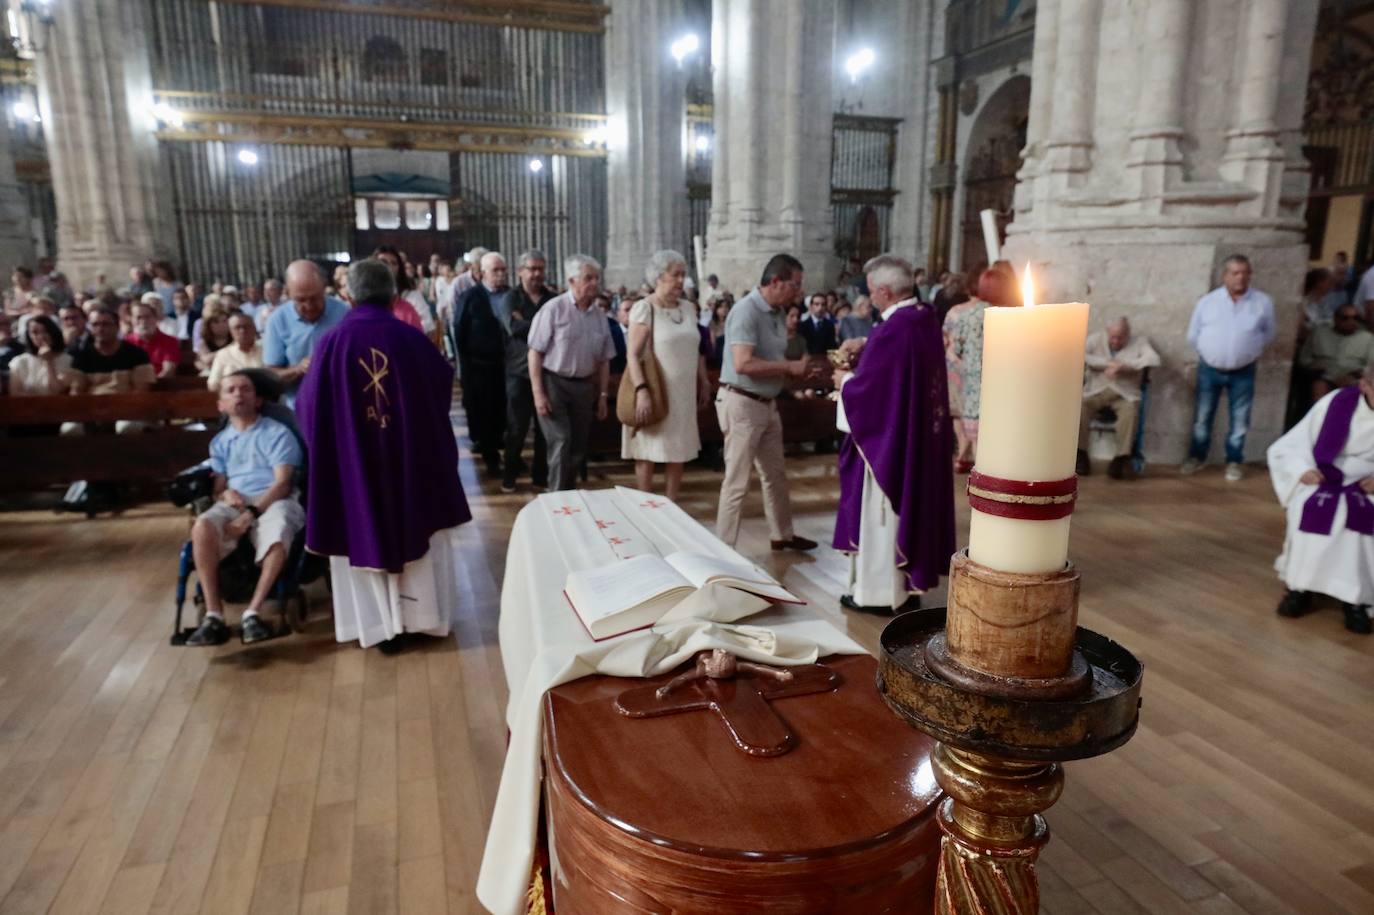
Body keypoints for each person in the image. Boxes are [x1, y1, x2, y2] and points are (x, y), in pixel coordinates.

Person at [297, 259, 472, 652]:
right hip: (411, 461)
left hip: (354, 464)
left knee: (365, 531)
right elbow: (442, 391)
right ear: (394, 294)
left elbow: (308, 411)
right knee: (417, 529)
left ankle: (378, 627)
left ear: (348, 295)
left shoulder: (331, 343)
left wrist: (342, 443)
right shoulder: (411, 339)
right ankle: (423, 621)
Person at [831, 254, 954, 613]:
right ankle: (904, 590)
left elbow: (872, 394)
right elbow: (901, 375)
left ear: (884, 291)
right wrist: (868, 346)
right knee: (905, 510)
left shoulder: (895, 329)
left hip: (890, 443)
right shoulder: (923, 319)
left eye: (871, 291)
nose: (869, 298)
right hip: (917, 440)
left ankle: (879, 595)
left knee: (881, 514)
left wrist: (845, 382)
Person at [184, 371, 306, 646]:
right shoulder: (220, 442)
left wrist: (251, 514)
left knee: (279, 527)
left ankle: (253, 612)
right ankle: (214, 615)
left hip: (272, 498)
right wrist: (226, 494)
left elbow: (283, 484)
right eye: (231, 390)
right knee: (202, 525)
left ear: (258, 399)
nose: (238, 394)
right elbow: (218, 487)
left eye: (245, 389)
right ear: (221, 405)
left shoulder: (278, 433)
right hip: (236, 501)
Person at [714, 254, 822, 550]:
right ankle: (722, 550)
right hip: (742, 402)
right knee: (736, 482)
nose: (798, 292)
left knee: (775, 475)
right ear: (775, 281)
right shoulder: (746, 311)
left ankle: (782, 535)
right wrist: (788, 368)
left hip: (767, 402)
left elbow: (771, 359)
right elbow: (743, 363)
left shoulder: (776, 312)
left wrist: (795, 370)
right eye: (794, 284)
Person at [1268, 365, 1374, 634]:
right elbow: (1290, 446)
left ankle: (1357, 599)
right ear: (1364, 385)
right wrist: (1301, 470)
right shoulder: (1336, 403)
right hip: (1326, 475)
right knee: (1310, 506)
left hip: (1368, 482)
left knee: (1358, 523)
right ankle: (1300, 588)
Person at [622, 250, 712, 502]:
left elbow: (696, 349)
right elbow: (632, 355)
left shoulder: (688, 308)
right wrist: (641, 391)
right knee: (648, 450)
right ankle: (645, 506)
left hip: (683, 392)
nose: (681, 280)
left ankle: (672, 507)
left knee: (678, 450)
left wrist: (703, 380)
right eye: (676, 275)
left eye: (683, 274)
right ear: (659, 277)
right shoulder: (643, 308)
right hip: (654, 389)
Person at [1181, 254, 1277, 482]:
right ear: (1225, 275)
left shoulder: (1262, 303)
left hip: (1243, 370)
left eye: (1245, 273)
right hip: (1209, 369)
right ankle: (1197, 457)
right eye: (1235, 273)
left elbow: (1269, 334)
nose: (1240, 278)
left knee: (1240, 420)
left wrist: (1248, 351)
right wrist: (1211, 352)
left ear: (1250, 275)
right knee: (1202, 418)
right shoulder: (1208, 302)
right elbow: (1193, 335)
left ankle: (1234, 461)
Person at [527, 254, 616, 492]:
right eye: (588, 278)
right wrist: (538, 394)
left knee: (577, 447)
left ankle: (568, 496)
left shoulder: (599, 317)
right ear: (572, 281)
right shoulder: (553, 309)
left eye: (596, 278)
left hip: (585, 386)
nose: (594, 283)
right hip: (554, 383)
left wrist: (603, 395)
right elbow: (535, 352)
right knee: (561, 441)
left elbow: (605, 360)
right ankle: (556, 498)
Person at [944, 266, 1012, 473]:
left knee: (977, 440)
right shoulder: (1009, 315)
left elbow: (957, 349)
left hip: (973, 386)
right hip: (1002, 384)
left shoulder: (968, 315)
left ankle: (980, 484)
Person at [1077, 317, 1161, 480]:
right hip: (1096, 391)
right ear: (1107, 333)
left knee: (1130, 413)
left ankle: (1121, 458)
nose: (1116, 341)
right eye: (1113, 337)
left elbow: (1153, 359)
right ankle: (1080, 454)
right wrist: (1107, 363)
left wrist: (1125, 366)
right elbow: (1079, 352)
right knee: (1079, 408)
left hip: (1124, 394)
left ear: (1128, 334)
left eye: (1121, 337)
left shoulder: (1140, 342)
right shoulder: (1096, 339)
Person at [499, 249, 554, 493]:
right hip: (518, 372)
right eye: (531, 269)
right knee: (517, 427)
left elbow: (557, 332)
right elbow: (514, 328)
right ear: (521, 271)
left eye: (540, 269)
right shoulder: (511, 298)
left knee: (544, 429)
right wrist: (542, 327)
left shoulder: (551, 299)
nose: (536, 274)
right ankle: (509, 476)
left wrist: (528, 324)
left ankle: (540, 477)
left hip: (547, 372)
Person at [455, 251, 511, 476]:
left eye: (503, 270)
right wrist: (465, 367)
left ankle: (507, 451)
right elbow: (459, 330)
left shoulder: (511, 295)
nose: (500, 275)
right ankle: (491, 457)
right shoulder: (470, 296)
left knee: (505, 412)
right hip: (480, 365)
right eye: (495, 270)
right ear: (483, 273)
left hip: (508, 364)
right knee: (486, 412)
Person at [264, 260, 349, 406]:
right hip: (299, 408)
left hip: (340, 404)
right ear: (288, 293)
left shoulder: (344, 313)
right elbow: (271, 375)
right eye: (301, 300)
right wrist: (299, 369)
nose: (309, 306)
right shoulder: (277, 320)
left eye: (315, 298)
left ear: (324, 287)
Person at [1299, 303, 1374, 401]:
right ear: (1335, 319)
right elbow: (1304, 359)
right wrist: (1318, 371)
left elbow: (1371, 365)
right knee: (1319, 387)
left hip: (1353, 377)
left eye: (1355, 318)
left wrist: (1353, 376)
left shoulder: (1367, 338)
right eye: (1345, 318)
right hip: (1323, 376)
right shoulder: (1319, 333)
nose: (1351, 321)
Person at [71, 308, 154, 395]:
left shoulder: (137, 354)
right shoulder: (82, 356)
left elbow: (142, 391)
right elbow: (77, 391)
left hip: (127, 405)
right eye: (95, 325)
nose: (100, 329)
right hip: (93, 406)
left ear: (117, 327)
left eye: (105, 324)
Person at [8, 315, 80, 397]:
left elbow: (56, 391)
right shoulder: (19, 361)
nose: (41, 336)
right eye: (35, 332)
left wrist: (48, 361)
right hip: (28, 407)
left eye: (45, 331)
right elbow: (15, 392)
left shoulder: (69, 360)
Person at [127, 297, 181, 380]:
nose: (143, 321)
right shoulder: (126, 343)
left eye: (147, 317)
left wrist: (151, 385)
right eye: (139, 317)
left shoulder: (170, 341)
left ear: (156, 319)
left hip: (161, 387)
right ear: (132, 320)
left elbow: (169, 370)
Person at [207, 312, 265, 390]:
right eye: (237, 327)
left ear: (254, 328)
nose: (242, 331)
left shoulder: (267, 351)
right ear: (231, 332)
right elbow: (213, 385)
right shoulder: (223, 355)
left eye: (246, 327)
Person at [195, 303, 232, 375]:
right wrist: (229, 349)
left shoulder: (234, 339)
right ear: (209, 325)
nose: (221, 325)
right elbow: (206, 360)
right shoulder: (204, 342)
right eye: (216, 322)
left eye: (224, 321)